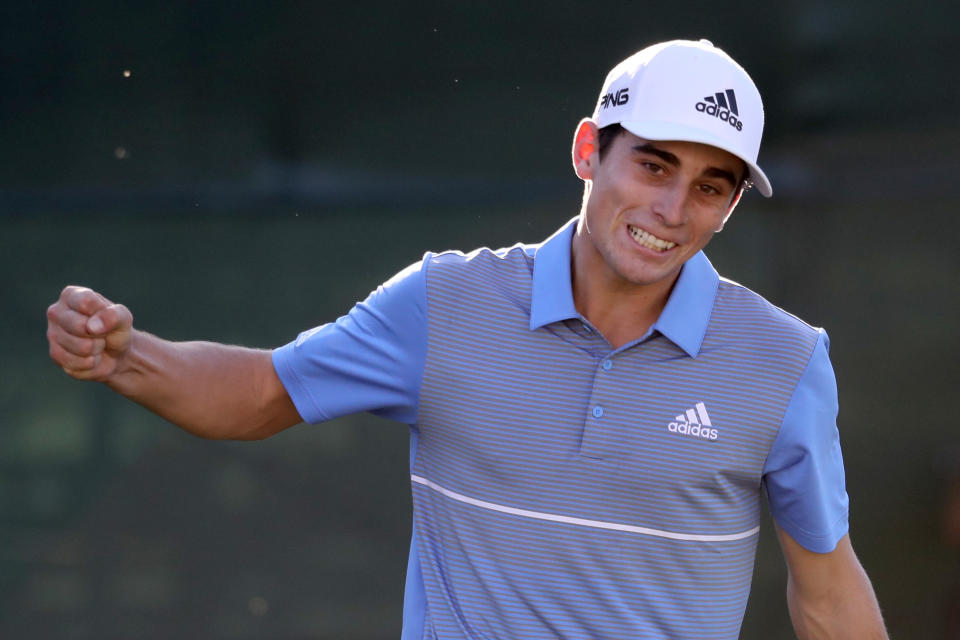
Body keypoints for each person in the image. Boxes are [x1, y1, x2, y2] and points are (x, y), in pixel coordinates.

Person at [46, 39, 888, 639]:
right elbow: (265, 392)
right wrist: (129, 356)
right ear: (589, 151)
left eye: (711, 187)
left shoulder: (786, 362)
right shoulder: (444, 302)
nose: (673, 211)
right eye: (654, 165)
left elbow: (825, 591)